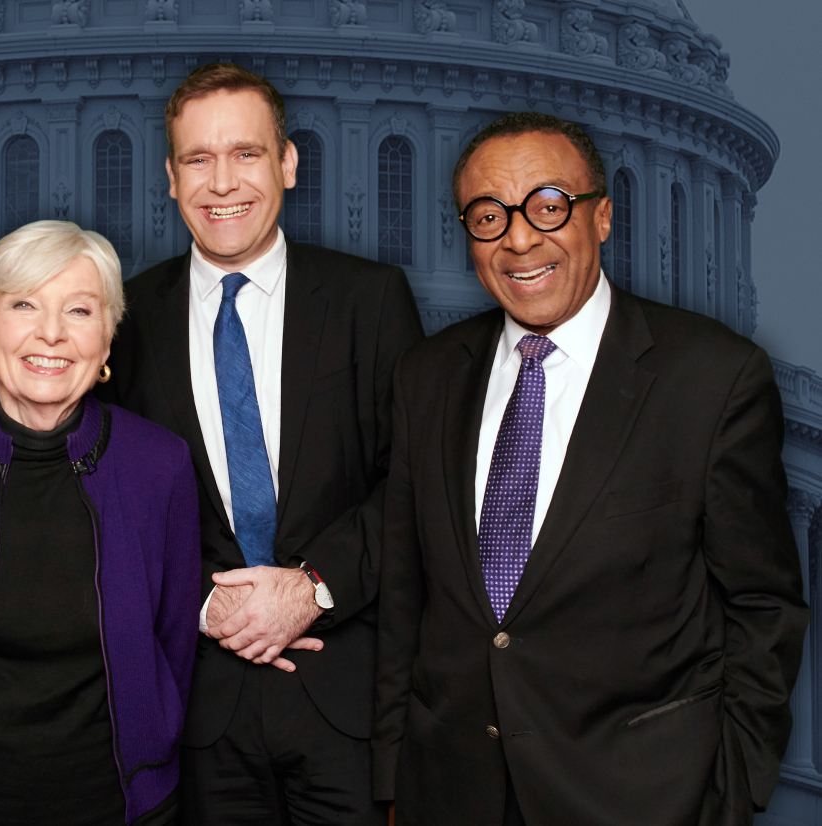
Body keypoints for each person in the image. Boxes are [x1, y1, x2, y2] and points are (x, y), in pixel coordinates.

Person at [372, 111, 808, 826]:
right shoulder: (426, 378)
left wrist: (731, 793)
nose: (517, 238)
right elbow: (404, 599)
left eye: (547, 206)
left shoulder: (710, 376)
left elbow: (761, 607)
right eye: (488, 216)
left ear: (600, 216)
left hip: (640, 798)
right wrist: (392, 783)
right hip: (450, 793)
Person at [102, 63, 424, 824]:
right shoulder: (125, 318)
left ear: (286, 163)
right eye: (197, 160)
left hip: (345, 702)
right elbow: (101, 506)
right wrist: (199, 603)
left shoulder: (368, 300)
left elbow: (414, 487)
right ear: (171, 178)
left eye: (245, 154)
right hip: (194, 714)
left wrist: (311, 588)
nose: (222, 183)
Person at [0, 220, 200, 826]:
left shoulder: (162, 466)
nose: (51, 332)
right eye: (23, 304)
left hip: (129, 806)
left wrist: (154, 742)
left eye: (79, 310)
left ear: (106, 338)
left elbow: (175, 642)